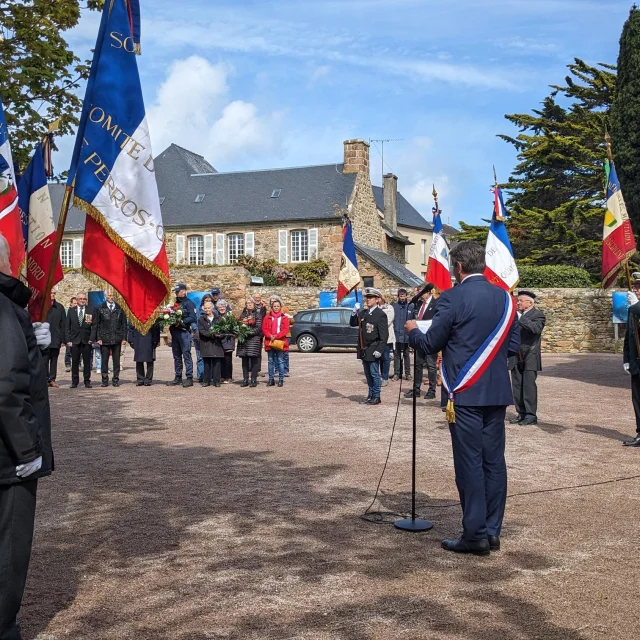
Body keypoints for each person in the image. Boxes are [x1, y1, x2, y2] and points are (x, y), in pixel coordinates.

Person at [406, 241, 520, 556]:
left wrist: (413, 329)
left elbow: (429, 343)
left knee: (469, 462)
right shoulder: (506, 299)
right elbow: (512, 347)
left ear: (457, 268)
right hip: (496, 391)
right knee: (494, 462)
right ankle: (492, 531)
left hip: (465, 393)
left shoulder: (453, 298)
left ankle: (475, 535)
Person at [0, 232, 54, 640]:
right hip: (7, 456)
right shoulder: (4, 308)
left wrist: (35, 349)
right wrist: (27, 449)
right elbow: (6, 385)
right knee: (8, 550)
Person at [509, 290, 546, 426]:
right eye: (517, 300)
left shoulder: (538, 315)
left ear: (529, 302)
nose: (518, 303)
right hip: (516, 355)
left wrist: (520, 318)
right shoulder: (515, 316)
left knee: (529, 386)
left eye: (520, 301)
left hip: (530, 354)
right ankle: (521, 413)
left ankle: (531, 415)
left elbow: (535, 329)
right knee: (517, 385)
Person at [350, 287, 389, 405]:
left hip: (373, 347)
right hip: (364, 349)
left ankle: (376, 396)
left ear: (377, 300)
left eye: (371, 298)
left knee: (374, 374)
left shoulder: (380, 315)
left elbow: (384, 335)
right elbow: (353, 323)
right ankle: (370, 395)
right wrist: (353, 312)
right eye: (367, 298)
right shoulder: (364, 313)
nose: (368, 300)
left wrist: (379, 350)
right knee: (368, 374)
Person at [405, 283, 438, 400]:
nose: (420, 295)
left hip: (430, 339)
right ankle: (416, 389)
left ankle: (432, 390)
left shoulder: (436, 304)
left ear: (429, 292)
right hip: (418, 338)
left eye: (422, 292)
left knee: (431, 365)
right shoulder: (417, 304)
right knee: (418, 365)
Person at [91, 289, 127, 388]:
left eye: (112, 295)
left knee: (116, 361)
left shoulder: (120, 308)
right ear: (106, 296)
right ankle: (105, 379)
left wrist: (124, 337)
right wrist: (98, 338)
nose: (111, 297)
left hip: (116, 338)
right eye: (109, 295)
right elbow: (96, 324)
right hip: (104, 338)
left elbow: (124, 324)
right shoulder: (100, 308)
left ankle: (115, 379)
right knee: (104, 361)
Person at [166, 283, 197, 388]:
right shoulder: (175, 303)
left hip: (184, 332)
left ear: (184, 291)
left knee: (186, 355)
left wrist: (182, 322)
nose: (176, 293)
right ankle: (178, 376)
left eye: (178, 291)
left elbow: (193, 318)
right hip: (175, 332)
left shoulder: (189, 303)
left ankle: (189, 378)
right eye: (176, 291)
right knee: (176, 356)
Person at [623, 276, 640, 447]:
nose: (636, 290)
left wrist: (636, 306)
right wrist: (626, 359)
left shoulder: (636, 307)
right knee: (637, 399)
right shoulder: (633, 308)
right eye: (635, 287)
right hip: (636, 362)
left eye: (639, 287)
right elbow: (629, 336)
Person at [66, 291, 94, 389]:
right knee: (75, 362)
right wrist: (68, 340)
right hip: (75, 340)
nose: (82, 301)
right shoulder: (71, 311)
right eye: (80, 299)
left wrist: (92, 338)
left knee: (87, 362)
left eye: (84, 299)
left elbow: (94, 326)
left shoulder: (90, 310)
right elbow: (67, 327)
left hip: (87, 341)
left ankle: (87, 381)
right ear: (77, 300)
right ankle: (74, 382)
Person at [263, 298, 290, 387]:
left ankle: (281, 379)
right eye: (274, 306)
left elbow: (286, 329)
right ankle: (271, 379)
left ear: (280, 307)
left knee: (280, 360)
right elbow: (264, 328)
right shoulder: (267, 317)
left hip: (280, 341)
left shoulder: (284, 318)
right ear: (272, 307)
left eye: (278, 306)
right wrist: (270, 335)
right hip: (270, 340)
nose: (276, 308)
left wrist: (277, 336)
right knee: (270, 361)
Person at [42, 287, 66, 388]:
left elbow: (63, 324)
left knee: (54, 360)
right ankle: (44, 379)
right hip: (43, 338)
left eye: (54, 293)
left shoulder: (60, 307)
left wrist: (63, 339)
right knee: (44, 360)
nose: (52, 295)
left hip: (55, 338)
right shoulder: (42, 306)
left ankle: (52, 379)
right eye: (50, 293)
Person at [237, 298, 263, 387]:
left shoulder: (258, 315)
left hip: (253, 339)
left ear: (254, 304)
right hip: (244, 341)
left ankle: (253, 379)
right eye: (247, 303)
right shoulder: (243, 314)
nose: (249, 304)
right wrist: (240, 331)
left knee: (253, 360)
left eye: (251, 303)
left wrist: (247, 332)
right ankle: (245, 379)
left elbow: (258, 328)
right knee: (244, 360)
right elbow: (239, 325)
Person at [198, 300, 225, 387]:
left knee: (217, 363)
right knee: (207, 363)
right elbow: (202, 331)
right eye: (205, 308)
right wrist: (213, 335)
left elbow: (223, 330)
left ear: (212, 308)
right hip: (206, 343)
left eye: (208, 308)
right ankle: (206, 381)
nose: (207, 310)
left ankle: (217, 381)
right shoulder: (201, 319)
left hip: (217, 344)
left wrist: (220, 335)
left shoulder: (219, 318)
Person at [392, 288, 414, 381]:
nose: (402, 298)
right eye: (401, 296)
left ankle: (408, 373)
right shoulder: (394, 306)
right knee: (396, 354)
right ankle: (397, 373)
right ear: (398, 296)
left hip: (406, 335)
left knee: (406, 354)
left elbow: (413, 320)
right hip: (396, 333)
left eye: (404, 296)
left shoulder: (410, 306)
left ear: (406, 296)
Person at [194, 293, 214, 383]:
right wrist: (196, 330)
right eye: (206, 301)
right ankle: (201, 376)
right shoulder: (198, 311)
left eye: (209, 301)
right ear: (203, 302)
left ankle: (211, 376)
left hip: (210, 337)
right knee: (200, 357)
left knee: (211, 356)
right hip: (199, 336)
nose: (207, 302)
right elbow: (194, 322)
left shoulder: (214, 312)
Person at [216, 299, 236, 383]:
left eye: (223, 306)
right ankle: (222, 376)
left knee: (228, 359)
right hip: (219, 340)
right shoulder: (216, 316)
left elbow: (234, 328)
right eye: (220, 306)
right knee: (221, 359)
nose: (221, 308)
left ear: (226, 307)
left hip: (228, 340)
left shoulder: (230, 316)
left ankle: (228, 377)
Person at [379, 294, 395, 387]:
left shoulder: (389, 308)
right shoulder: (376, 308)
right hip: (378, 337)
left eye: (379, 298)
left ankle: (385, 377)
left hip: (387, 337)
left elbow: (388, 321)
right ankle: (381, 376)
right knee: (380, 358)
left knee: (385, 358)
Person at [253, 293, 268, 376]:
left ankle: (258, 369)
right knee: (250, 351)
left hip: (260, 332)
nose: (257, 299)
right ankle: (251, 368)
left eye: (258, 297)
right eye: (256, 297)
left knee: (258, 351)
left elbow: (263, 317)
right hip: (251, 331)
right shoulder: (250, 306)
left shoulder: (263, 307)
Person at [64, 296, 77, 372]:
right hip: (70, 334)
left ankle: (77, 364)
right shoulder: (67, 312)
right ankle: (68, 364)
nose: (76, 304)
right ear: (71, 304)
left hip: (76, 334)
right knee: (68, 351)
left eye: (76, 303)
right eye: (74, 303)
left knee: (77, 351)